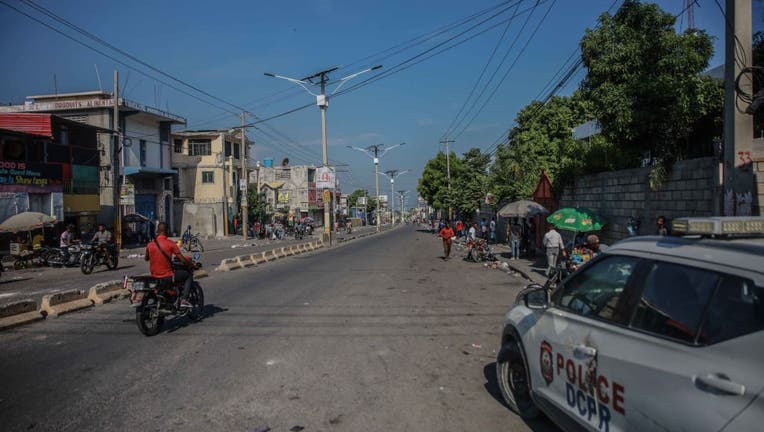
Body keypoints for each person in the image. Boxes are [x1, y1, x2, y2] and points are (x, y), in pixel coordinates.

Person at [145, 222, 194, 308]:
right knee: (188, 276)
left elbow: (146, 258)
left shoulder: (150, 245)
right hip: (168, 276)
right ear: (167, 231)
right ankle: (184, 300)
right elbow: (182, 259)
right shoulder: (171, 244)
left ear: (157, 231)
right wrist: (190, 264)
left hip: (154, 277)